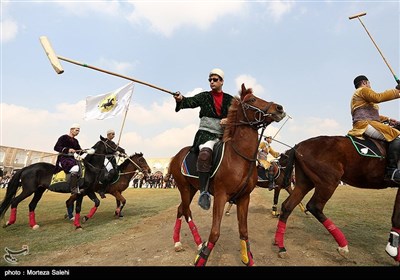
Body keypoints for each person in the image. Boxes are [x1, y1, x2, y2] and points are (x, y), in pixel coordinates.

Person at [173, 68, 234, 210]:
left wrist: (229, 120)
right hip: (205, 134)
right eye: (210, 80)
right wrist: (181, 99)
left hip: (223, 136)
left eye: (215, 79)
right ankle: (204, 192)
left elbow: (238, 115)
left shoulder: (230, 99)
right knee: (205, 154)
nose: (212, 82)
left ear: (222, 82)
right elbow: (190, 101)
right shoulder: (204, 96)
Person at [347, 75, 400, 184]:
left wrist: (389, 119)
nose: (370, 85)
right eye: (369, 83)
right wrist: (396, 91)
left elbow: (372, 115)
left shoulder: (360, 96)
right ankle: (392, 170)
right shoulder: (363, 90)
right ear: (364, 82)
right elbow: (378, 97)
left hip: (369, 122)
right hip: (365, 124)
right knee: (396, 136)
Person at [54, 123, 83, 194]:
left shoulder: (76, 141)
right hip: (63, 158)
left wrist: (85, 151)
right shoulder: (63, 137)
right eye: (77, 130)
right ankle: (73, 189)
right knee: (75, 168)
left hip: (72, 159)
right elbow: (56, 147)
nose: (78, 132)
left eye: (79, 131)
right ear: (71, 130)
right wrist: (68, 150)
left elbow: (79, 151)